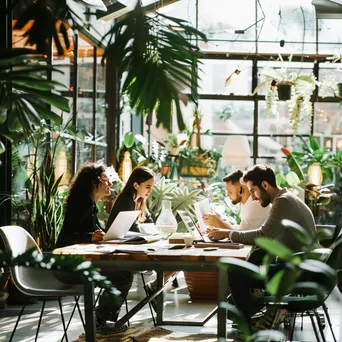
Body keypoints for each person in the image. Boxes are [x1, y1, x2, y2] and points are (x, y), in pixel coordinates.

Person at [214, 165, 317, 335]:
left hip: (298, 271)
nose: (252, 197)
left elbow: (263, 235)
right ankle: (259, 311)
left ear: (265, 185)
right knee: (253, 260)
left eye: (253, 190)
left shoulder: (283, 201)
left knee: (235, 273)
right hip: (301, 266)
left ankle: (246, 329)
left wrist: (228, 234)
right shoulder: (286, 198)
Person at [56, 162, 133, 334]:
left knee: (123, 273)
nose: (110, 184)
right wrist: (89, 237)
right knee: (122, 274)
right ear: (94, 183)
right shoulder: (83, 204)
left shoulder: (90, 204)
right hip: (66, 267)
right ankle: (100, 320)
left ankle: (104, 321)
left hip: (77, 263)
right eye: (106, 180)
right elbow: (66, 238)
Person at [203, 169, 271, 236]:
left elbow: (241, 236)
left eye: (230, 191)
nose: (227, 194)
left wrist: (218, 222)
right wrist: (217, 221)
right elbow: (240, 229)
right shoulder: (247, 202)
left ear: (241, 189)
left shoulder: (255, 204)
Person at [106, 166, 155, 232]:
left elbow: (149, 220)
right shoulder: (125, 200)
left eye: (152, 187)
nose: (150, 191)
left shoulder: (139, 200)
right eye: (148, 187)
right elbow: (132, 227)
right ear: (135, 185)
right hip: (113, 240)